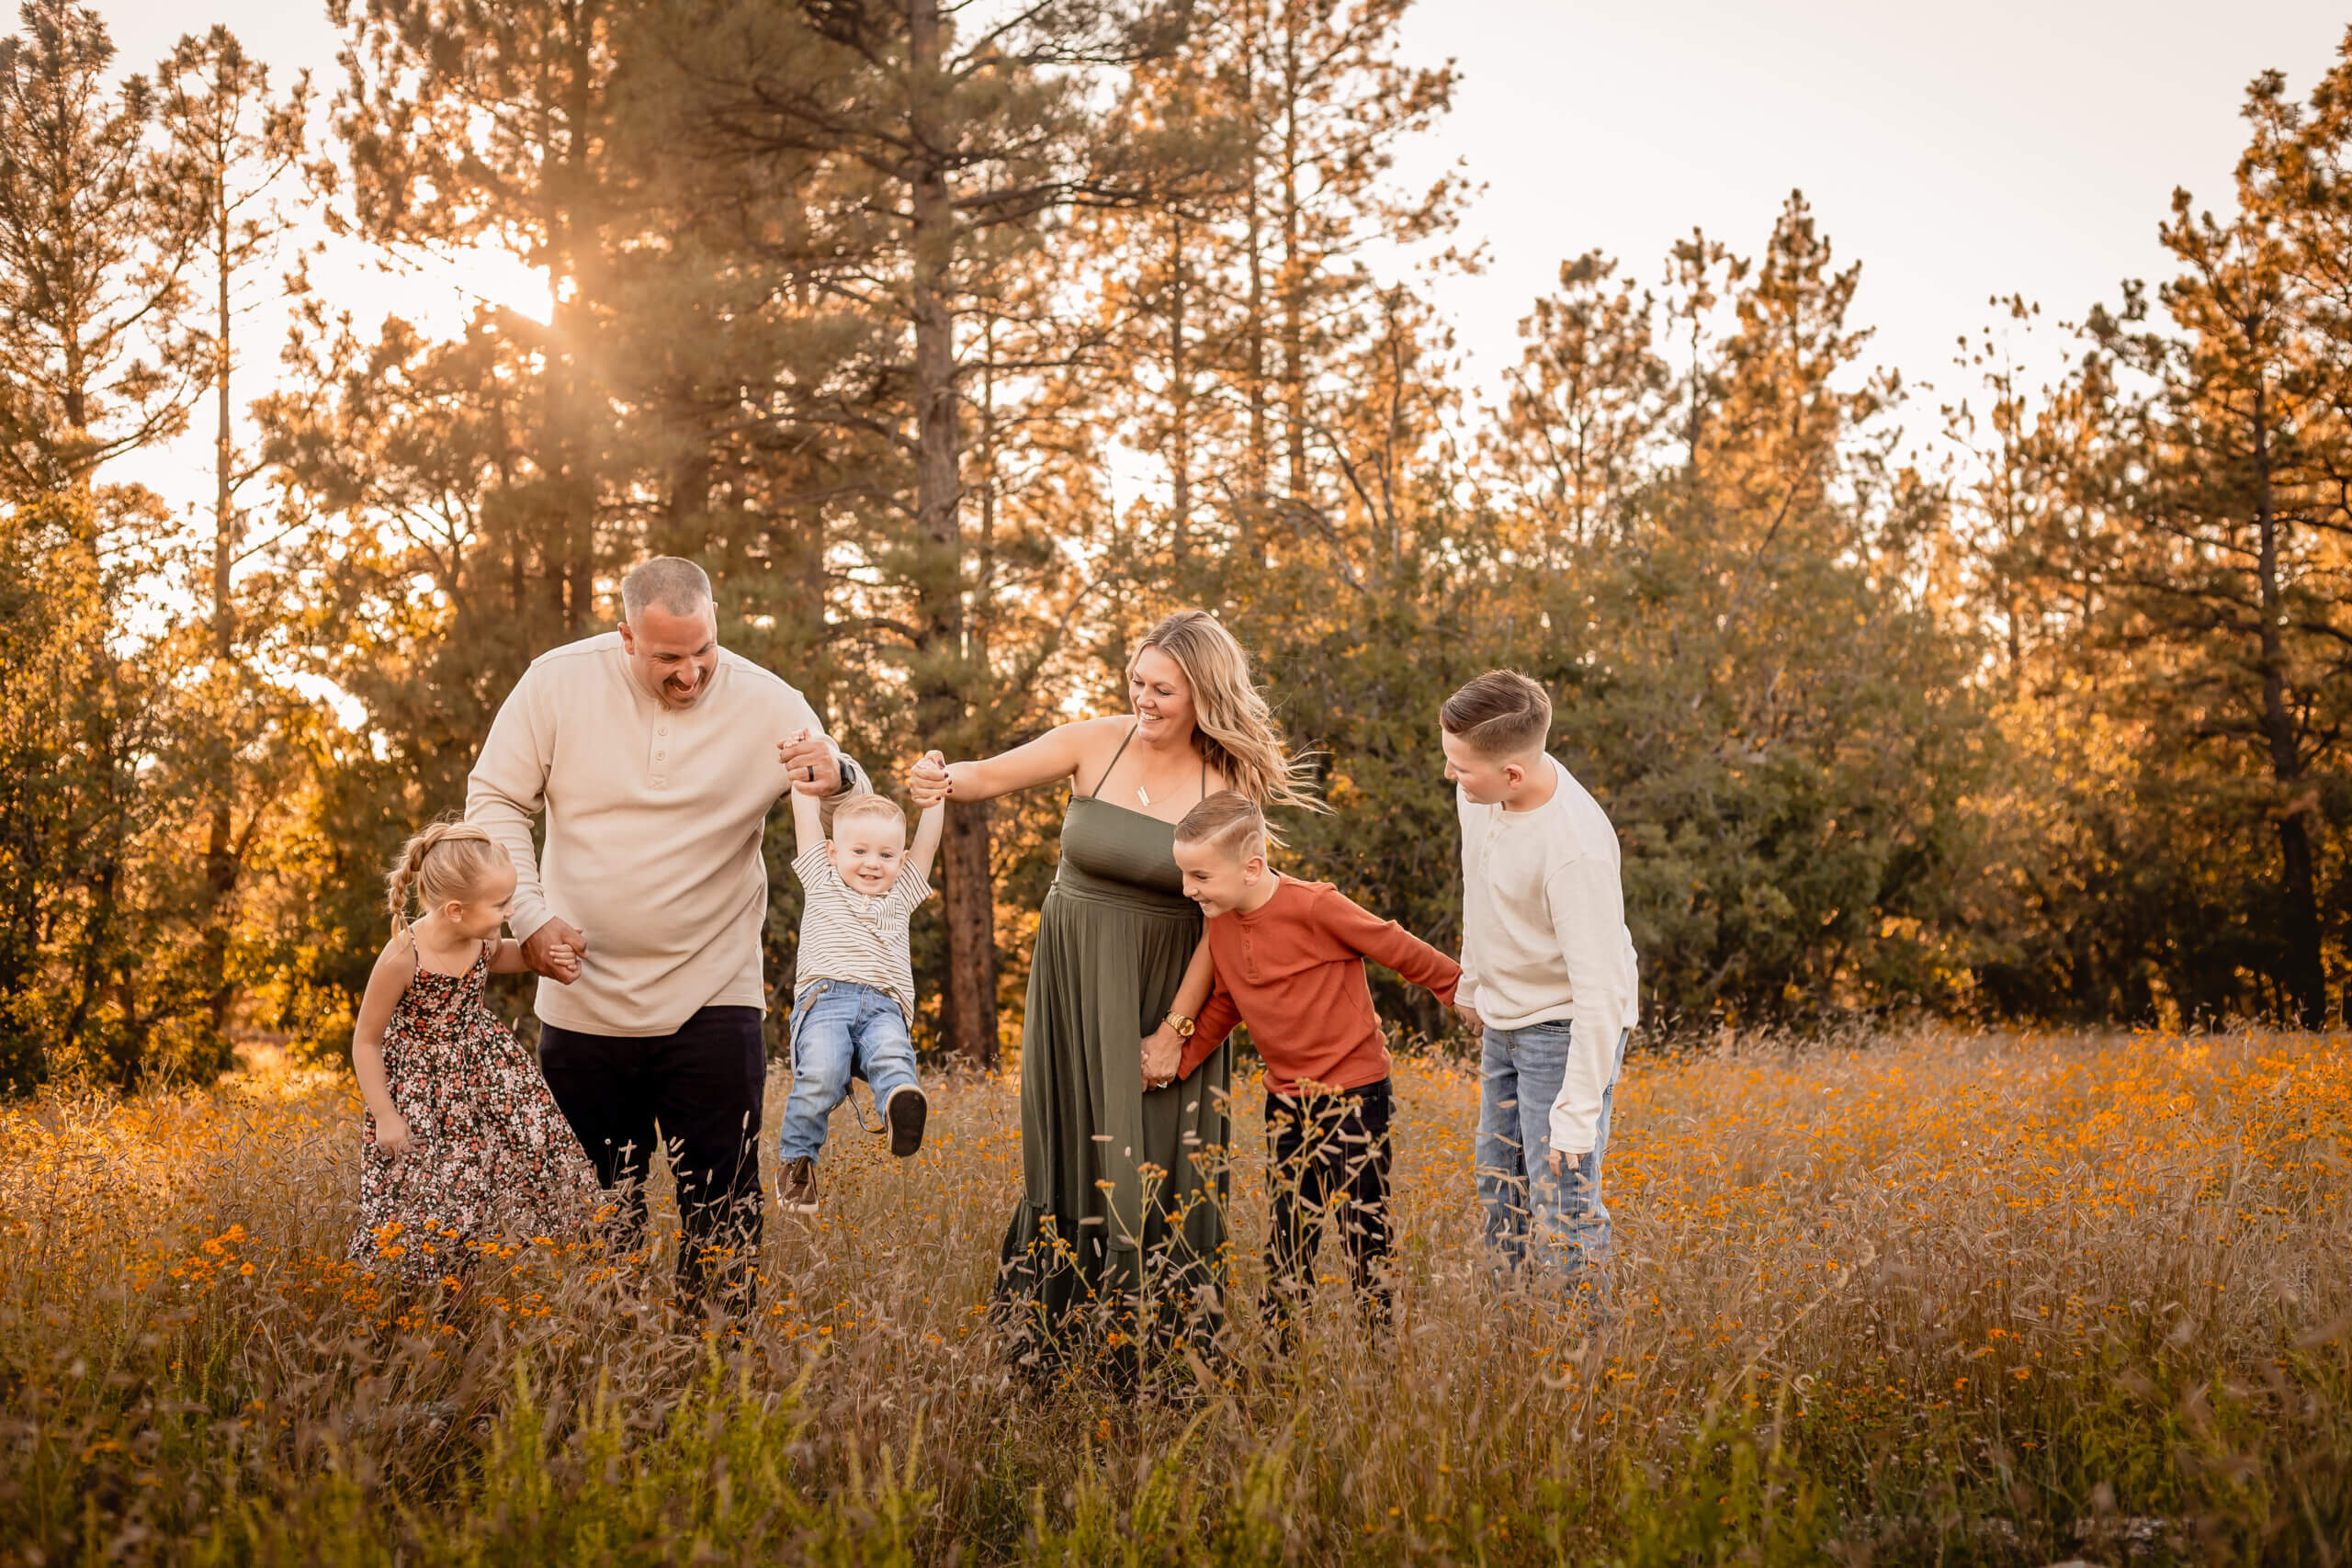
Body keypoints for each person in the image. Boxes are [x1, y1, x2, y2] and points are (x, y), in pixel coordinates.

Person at [908, 610, 1319, 1370]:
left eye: (1162, 688)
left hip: (1169, 985)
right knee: (1064, 1145)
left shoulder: (1226, 781)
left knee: (1160, 1157)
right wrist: (939, 775)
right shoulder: (1092, 740)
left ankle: (1161, 1354)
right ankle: (1050, 1342)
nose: (1145, 699)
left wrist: (1176, 1030)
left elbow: (1221, 923)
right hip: (1072, 976)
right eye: (1137, 681)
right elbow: (985, 775)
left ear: (1203, 692)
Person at [467, 556, 868, 1308]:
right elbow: (492, 800)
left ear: (717, 625)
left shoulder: (770, 701)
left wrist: (842, 775)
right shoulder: (555, 682)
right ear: (626, 638)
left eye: (703, 652)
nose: (691, 675)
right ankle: (597, 1376)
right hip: (582, 999)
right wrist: (531, 915)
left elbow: (860, 822)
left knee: (723, 1222)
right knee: (590, 1220)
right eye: (668, 659)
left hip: (714, 994)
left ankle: (715, 1383)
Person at [1168, 792, 1460, 1337]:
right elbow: (1227, 1002)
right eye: (1185, 874)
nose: (1189, 889)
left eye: (1200, 876)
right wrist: (1180, 1062)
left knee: (1363, 1229)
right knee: (1288, 1235)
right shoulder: (1223, 924)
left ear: (1252, 867)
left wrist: (1458, 988)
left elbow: (1392, 945)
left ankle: (1378, 1352)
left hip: (1355, 1092)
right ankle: (1281, 1350)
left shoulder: (1314, 906)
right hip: (1285, 1100)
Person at [1441, 670, 1640, 1293]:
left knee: (1565, 1209)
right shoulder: (1481, 794)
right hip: (1504, 1023)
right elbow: (1479, 887)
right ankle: (1518, 1349)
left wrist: (1577, 1116)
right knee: (1499, 1193)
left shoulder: (1575, 848)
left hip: (1563, 1031)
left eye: (1461, 766)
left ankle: (1584, 1370)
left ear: (1514, 775)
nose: (1451, 775)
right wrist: (1473, 983)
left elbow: (1602, 994)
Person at [349, 821, 599, 1281]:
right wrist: (385, 1114)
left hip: (485, 1076)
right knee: (429, 1200)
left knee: (515, 1162)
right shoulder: (403, 957)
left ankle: (477, 1290)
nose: (509, 913)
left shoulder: (480, 940)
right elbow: (366, 1040)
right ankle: (419, 1303)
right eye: (501, 904)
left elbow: (517, 954)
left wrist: (550, 958)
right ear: (456, 910)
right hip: (423, 1095)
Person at [775, 742, 946, 1212]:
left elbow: (928, 843)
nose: (873, 863)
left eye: (887, 855)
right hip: (825, 1001)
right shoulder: (821, 877)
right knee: (823, 1076)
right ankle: (797, 1162)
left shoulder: (903, 892)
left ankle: (899, 1111)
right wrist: (804, 769)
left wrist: (936, 792)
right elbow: (805, 815)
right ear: (833, 852)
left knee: (894, 1057)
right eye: (860, 851)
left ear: (901, 860)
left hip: (884, 1006)